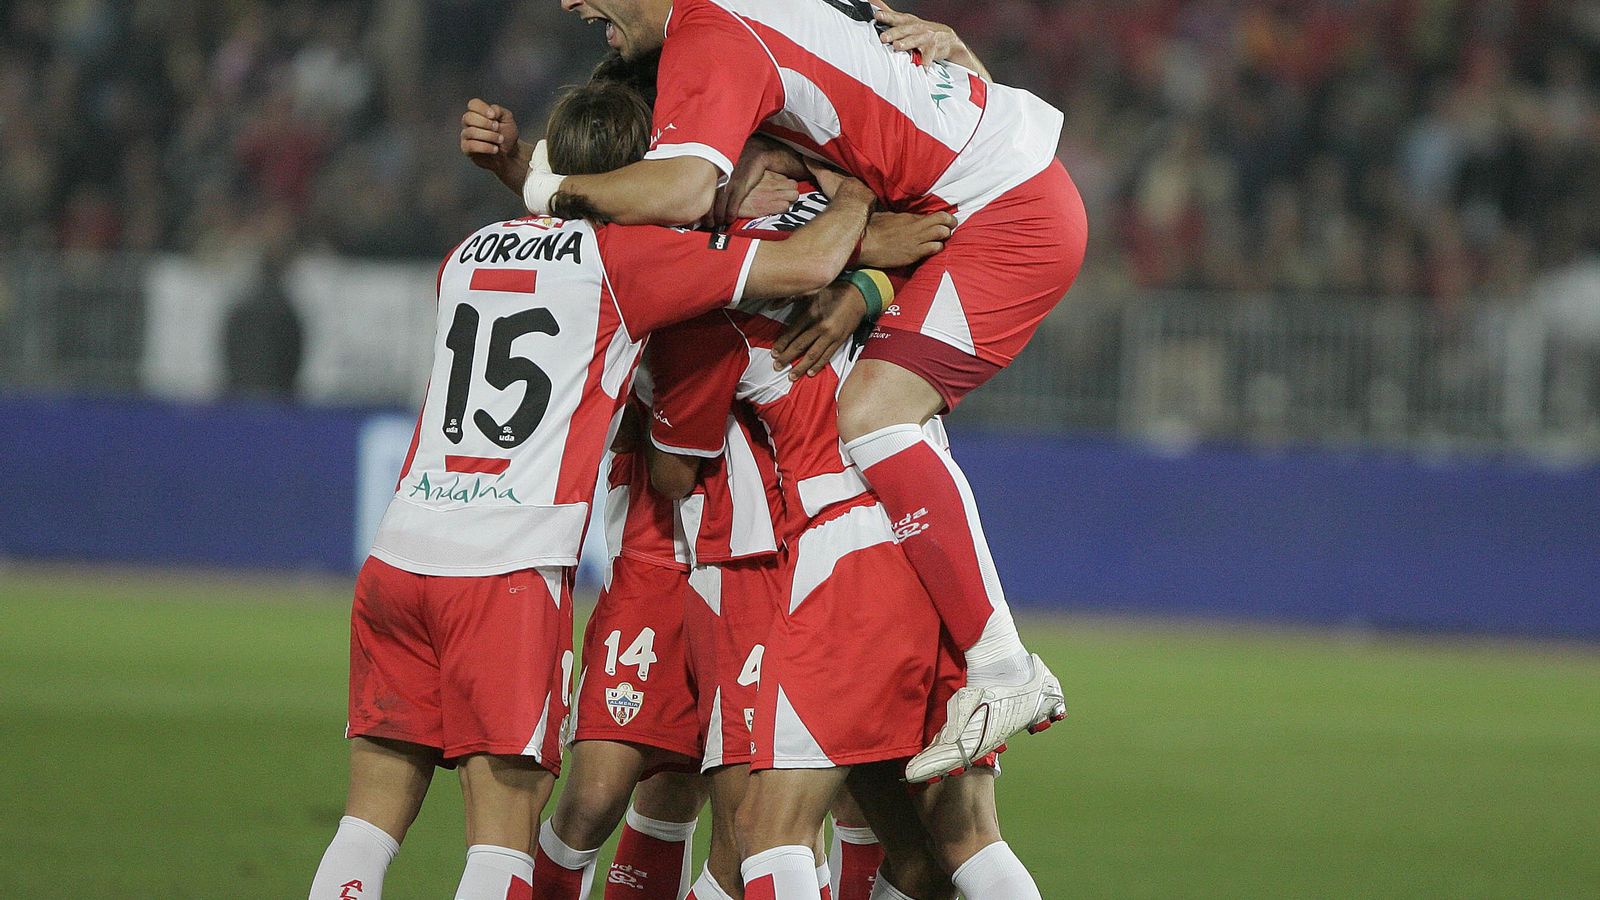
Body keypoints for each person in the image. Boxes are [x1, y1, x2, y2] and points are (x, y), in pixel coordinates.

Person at [309, 78, 912, 900]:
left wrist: (523, 173)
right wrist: (859, 193)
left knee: (366, 823)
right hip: (507, 567)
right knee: (501, 842)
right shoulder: (628, 262)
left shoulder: (467, 254)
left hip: (399, 553)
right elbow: (806, 261)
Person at [508, 0, 1083, 779]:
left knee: (875, 413)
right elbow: (917, 94)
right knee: (910, 825)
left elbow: (682, 190)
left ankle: (1005, 666)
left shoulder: (712, 41)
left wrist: (544, 188)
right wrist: (867, 274)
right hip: (1011, 183)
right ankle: (998, 667)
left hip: (1001, 221)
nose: (570, 4)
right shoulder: (781, 24)